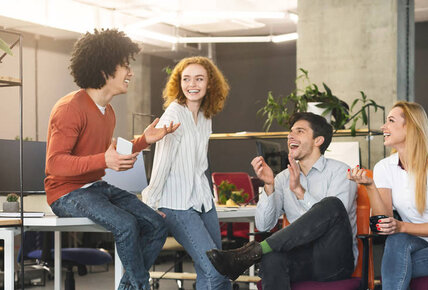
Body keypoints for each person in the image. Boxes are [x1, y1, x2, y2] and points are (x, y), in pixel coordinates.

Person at [45, 29, 179, 290]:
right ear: (105, 69)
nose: (130, 73)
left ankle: (129, 287)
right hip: (65, 194)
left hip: (94, 188)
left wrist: (143, 141)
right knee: (127, 225)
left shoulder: (108, 112)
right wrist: (103, 161)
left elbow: (108, 155)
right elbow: (55, 164)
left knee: (156, 224)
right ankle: (140, 285)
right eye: (125, 66)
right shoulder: (70, 108)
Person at [206, 112, 358, 290]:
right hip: (300, 259)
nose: (290, 136)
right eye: (290, 132)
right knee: (272, 258)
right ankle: (255, 252)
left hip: (333, 261)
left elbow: (334, 216)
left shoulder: (341, 172)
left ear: (318, 141)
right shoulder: (282, 177)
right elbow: (263, 225)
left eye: (299, 131)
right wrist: (269, 185)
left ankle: (252, 252)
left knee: (332, 204)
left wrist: (299, 191)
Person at [348, 101, 428, 290]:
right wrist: (370, 186)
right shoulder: (384, 167)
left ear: (411, 127)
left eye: (391, 121)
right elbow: (384, 224)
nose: (383, 127)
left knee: (395, 266)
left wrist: (400, 226)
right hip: (417, 242)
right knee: (396, 240)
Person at [142, 56, 231, 290]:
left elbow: (199, 165)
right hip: (177, 204)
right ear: (179, 83)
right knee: (215, 271)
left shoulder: (205, 115)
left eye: (199, 79)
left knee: (216, 269)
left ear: (209, 83)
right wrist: (150, 203)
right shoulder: (174, 114)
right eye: (187, 79)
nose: (193, 84)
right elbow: (161, 163)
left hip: (203, 201)